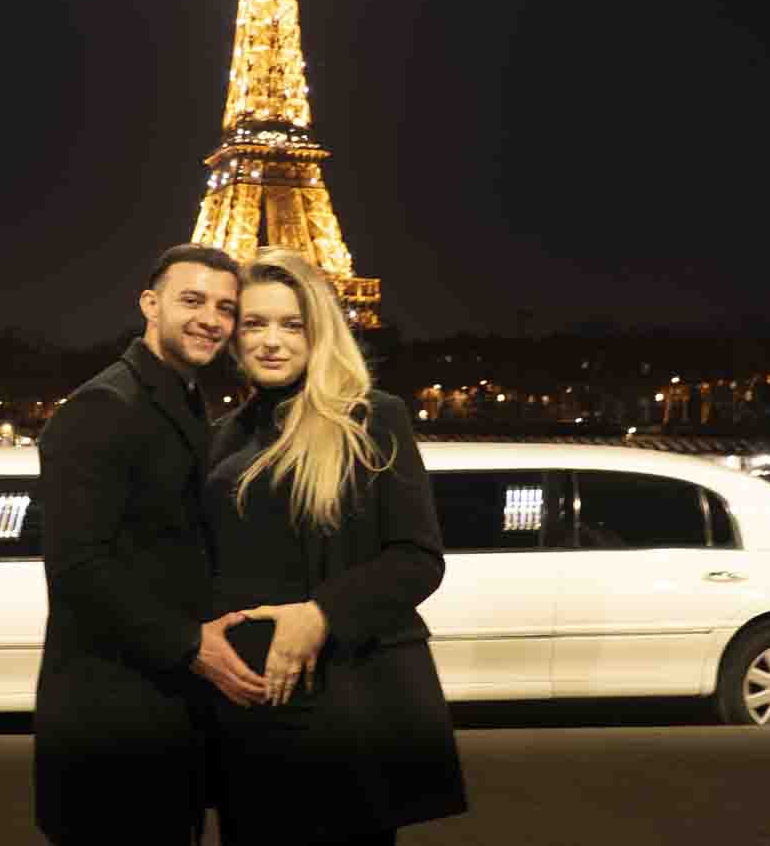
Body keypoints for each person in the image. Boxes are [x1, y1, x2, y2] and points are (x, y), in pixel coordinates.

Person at [204, 248, 468, 845]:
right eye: (255, 324)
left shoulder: (371, 419)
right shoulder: (222, 436)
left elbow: (417, 557)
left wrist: (322, 613)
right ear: (235, 336)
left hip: (345, 702)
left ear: (319, 331)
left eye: (292, 325)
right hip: (247, 707)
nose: (272, 341)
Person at [34, 244, 268, 846]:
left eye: (225, 307)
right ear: (150, 304)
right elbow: (77, 567)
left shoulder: (181, 398)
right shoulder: (101, 407)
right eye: (192, 300)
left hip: (159, 709)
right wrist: (191, 645)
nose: (210, 319)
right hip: (113, 718)